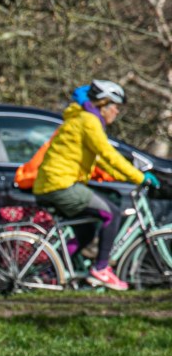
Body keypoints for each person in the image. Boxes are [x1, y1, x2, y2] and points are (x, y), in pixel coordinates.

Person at [33, 79, 160, 290]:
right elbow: (108, 153)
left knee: (88, 228)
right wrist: (139, 177)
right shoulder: (88, 121)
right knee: (111, 212)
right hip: (60, 185)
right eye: (116, 107)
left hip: (55, 183)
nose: (117, 113)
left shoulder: (83, 120)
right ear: (104, 104)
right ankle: (101, 269)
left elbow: (100, 160)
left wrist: (126, 176)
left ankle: (48, 272)